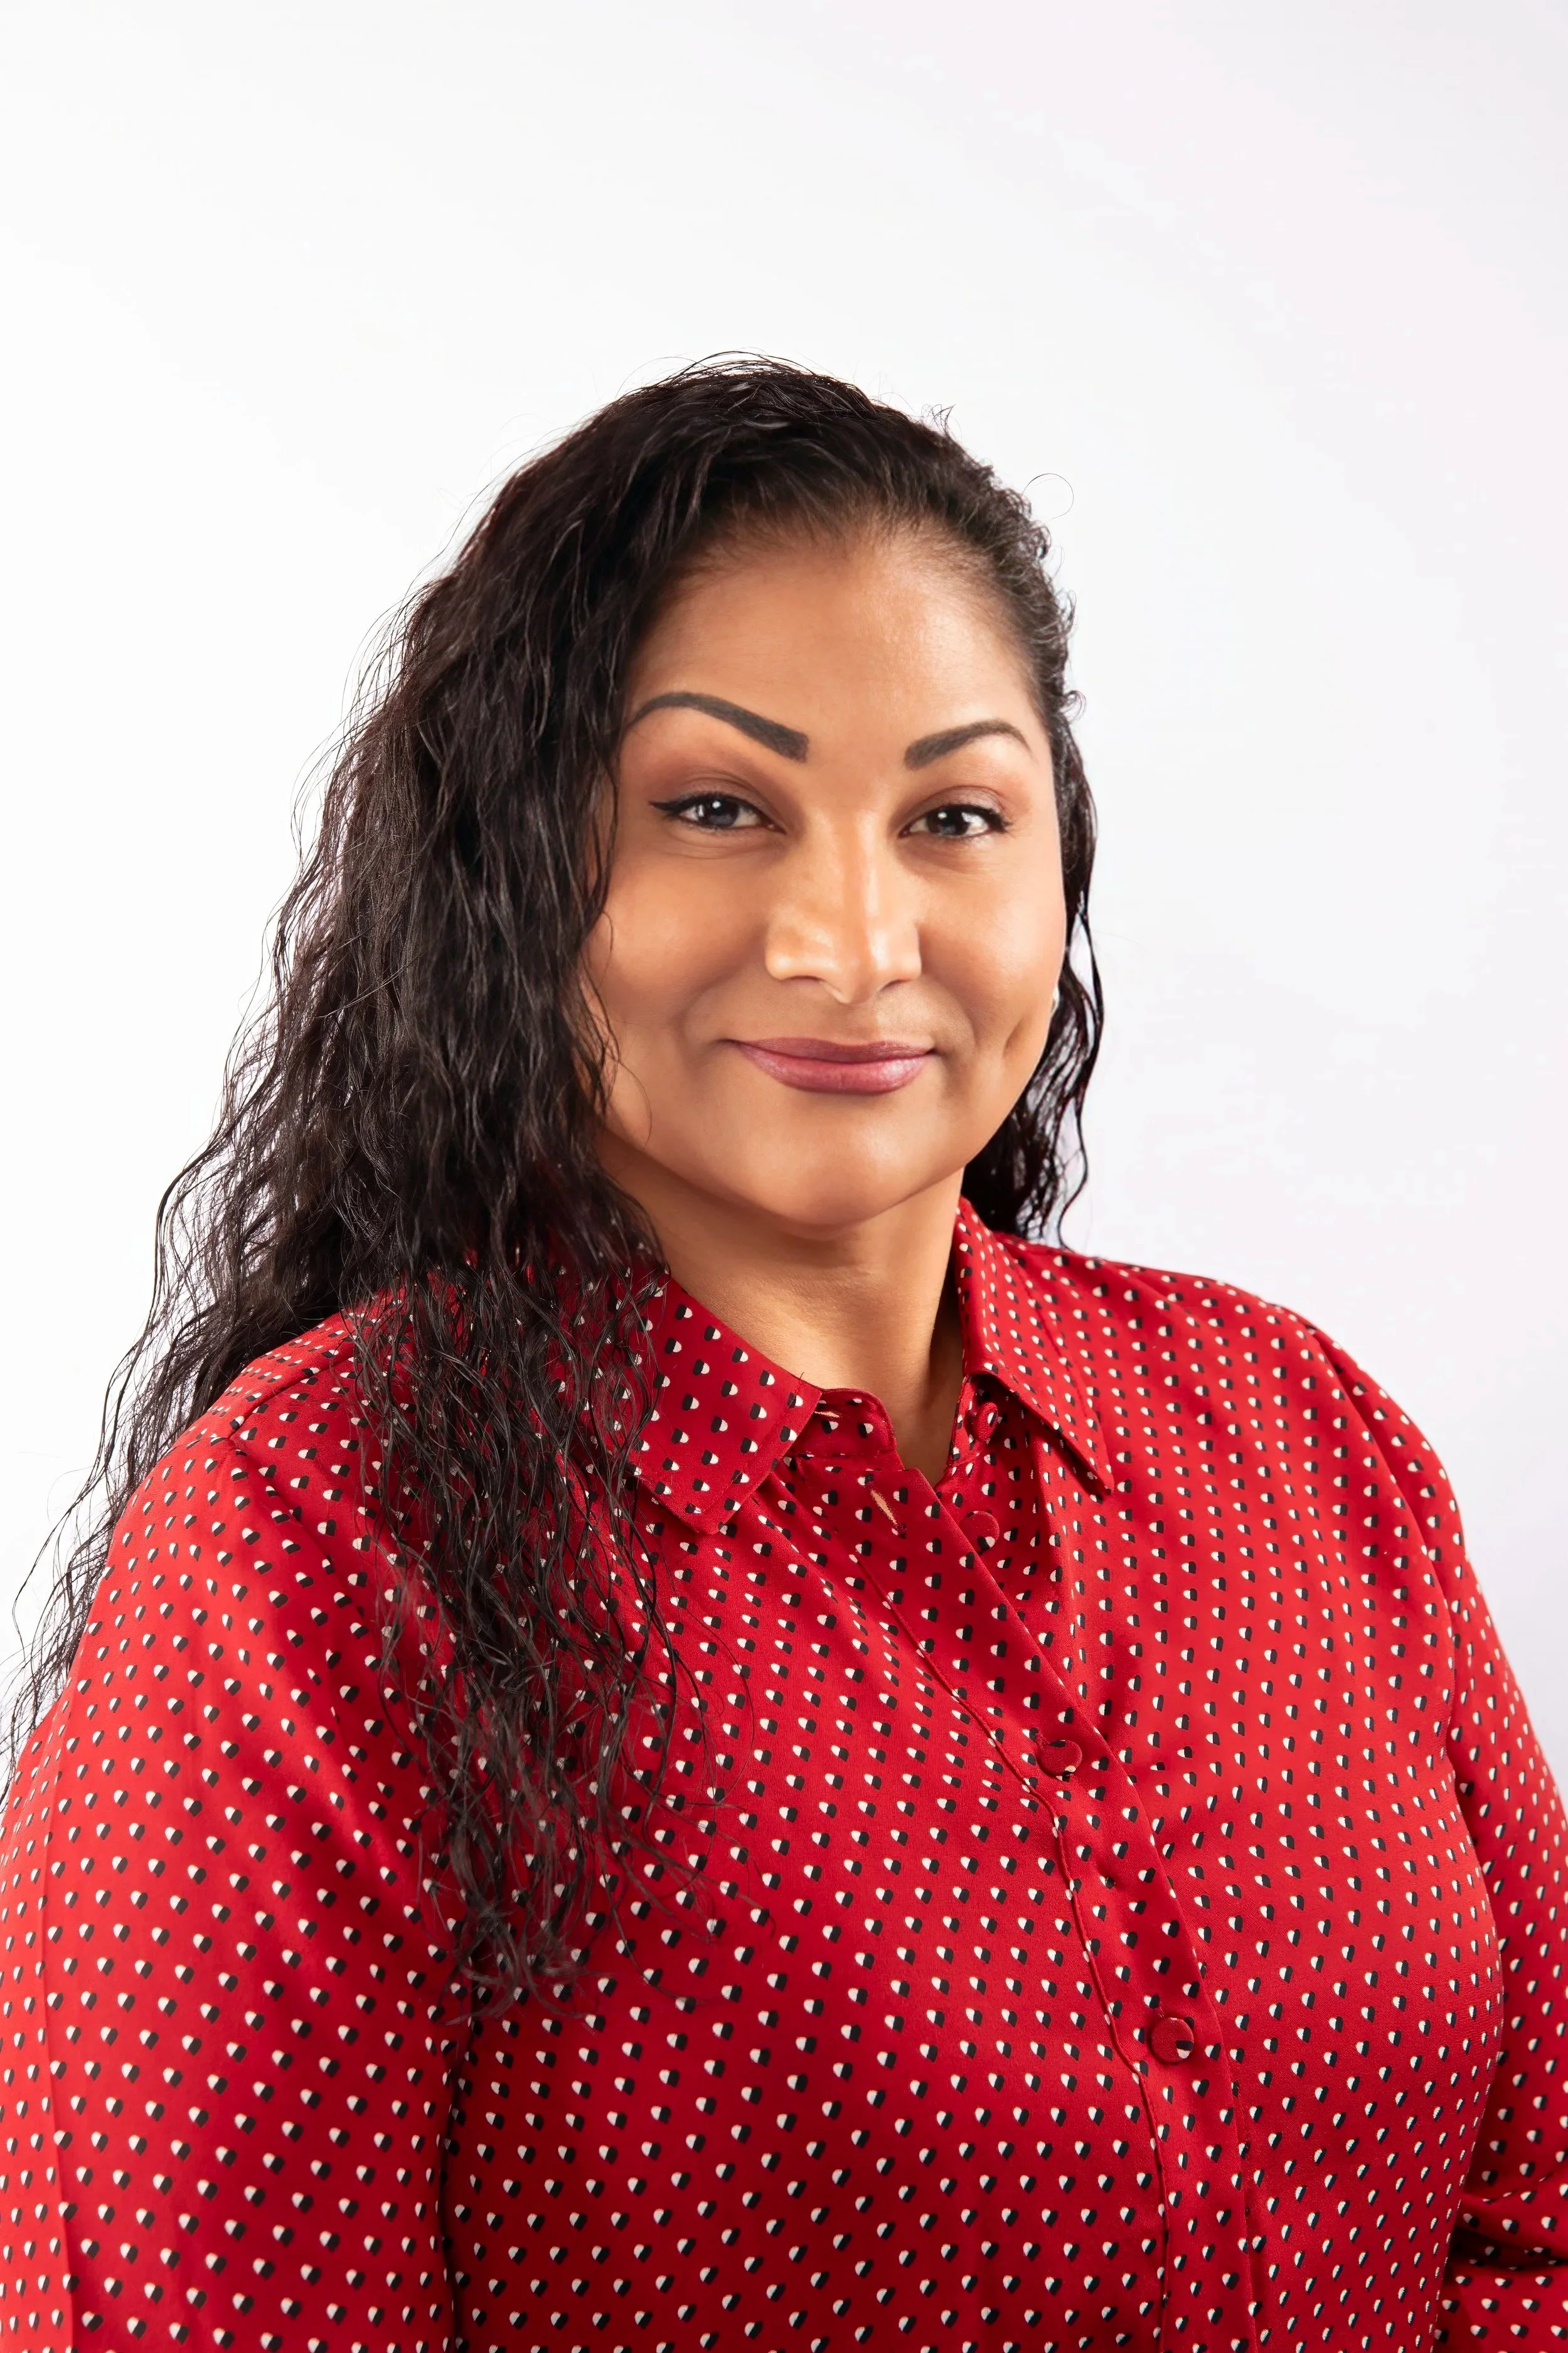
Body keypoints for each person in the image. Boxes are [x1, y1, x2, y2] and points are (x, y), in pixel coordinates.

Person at [1, 360, 1562, 2353]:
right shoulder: (305, 1558)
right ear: (516, 868)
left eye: (954, 815)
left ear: (1056, 864)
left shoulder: (1300, 1431)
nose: (854, 934)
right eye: (719, 808)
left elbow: (1545, 2212)